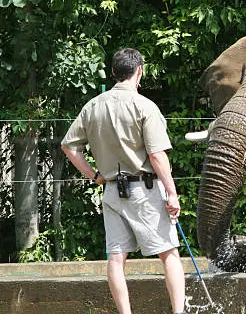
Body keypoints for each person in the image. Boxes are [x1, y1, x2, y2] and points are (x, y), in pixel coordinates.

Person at [61, 48, 185, 314]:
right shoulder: (144, 106)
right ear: (139, 71)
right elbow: (156, 155)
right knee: (169, 253)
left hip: (112, 191)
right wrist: (172, 194)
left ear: (114, 73)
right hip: (146, 191)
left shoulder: (93, 106)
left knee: (116, 258)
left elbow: (69, 147)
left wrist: (94, 175)